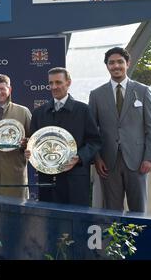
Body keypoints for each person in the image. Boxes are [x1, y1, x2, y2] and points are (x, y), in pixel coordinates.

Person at [89, 47, 151, 212]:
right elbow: (92, 131)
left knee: (139, 209)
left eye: (120, 62)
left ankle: (140, 239)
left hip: (138, 161)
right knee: (112, 211)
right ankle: (116, 239)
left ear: (127, 63)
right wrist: (97, 159)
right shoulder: (96, 94)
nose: (116, 66)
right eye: (111, 63)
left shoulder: (143, 91)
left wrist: (150, 157)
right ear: (107, 66)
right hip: (108, 162)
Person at [26, 67, 101, 206]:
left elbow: (94, 141)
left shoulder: (83, 110)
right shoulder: (39, 113)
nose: (54, 87)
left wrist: (79, 157)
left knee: (76, 222)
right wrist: (30, 152)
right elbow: (33, 143)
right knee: (50, 222)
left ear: (68, 83)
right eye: (51, 83)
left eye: (58, 82)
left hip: (75, 180)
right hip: (47, 181)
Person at [0, 74, 31, 199]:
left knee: (17, 213)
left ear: (10, 89)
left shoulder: (23, 112)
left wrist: (26, 143)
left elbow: (34, 140)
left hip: (15, 174)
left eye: (3, 88)